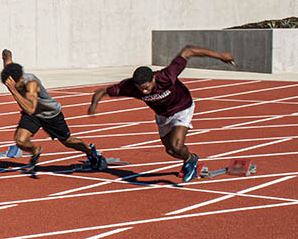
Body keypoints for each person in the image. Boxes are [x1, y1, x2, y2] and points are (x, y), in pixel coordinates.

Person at [88, 45, 235, 182]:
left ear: (153, 78)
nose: (144, 92)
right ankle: (187, 158)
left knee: (176, 145)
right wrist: (94, 104)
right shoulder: (129, 86)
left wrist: (220, 55)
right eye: (141, 89)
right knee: (170, 151)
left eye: (147, 87)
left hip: (182, 108)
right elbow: (102, 91)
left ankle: (191, 159)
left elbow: (188, 51)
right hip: (162, 115)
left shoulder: (166, 76)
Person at [0, 49, 107, 172]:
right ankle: (35, 150)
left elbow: (30, 108)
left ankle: (90, 151)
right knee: (20, 140)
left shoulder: (31, 84)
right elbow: (8, 59)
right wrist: (6, 54)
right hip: (34, 115)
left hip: (50, 114)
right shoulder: (11, 75)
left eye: (15, 85)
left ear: (19, 79)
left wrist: (13, 90)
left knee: (67, 141)